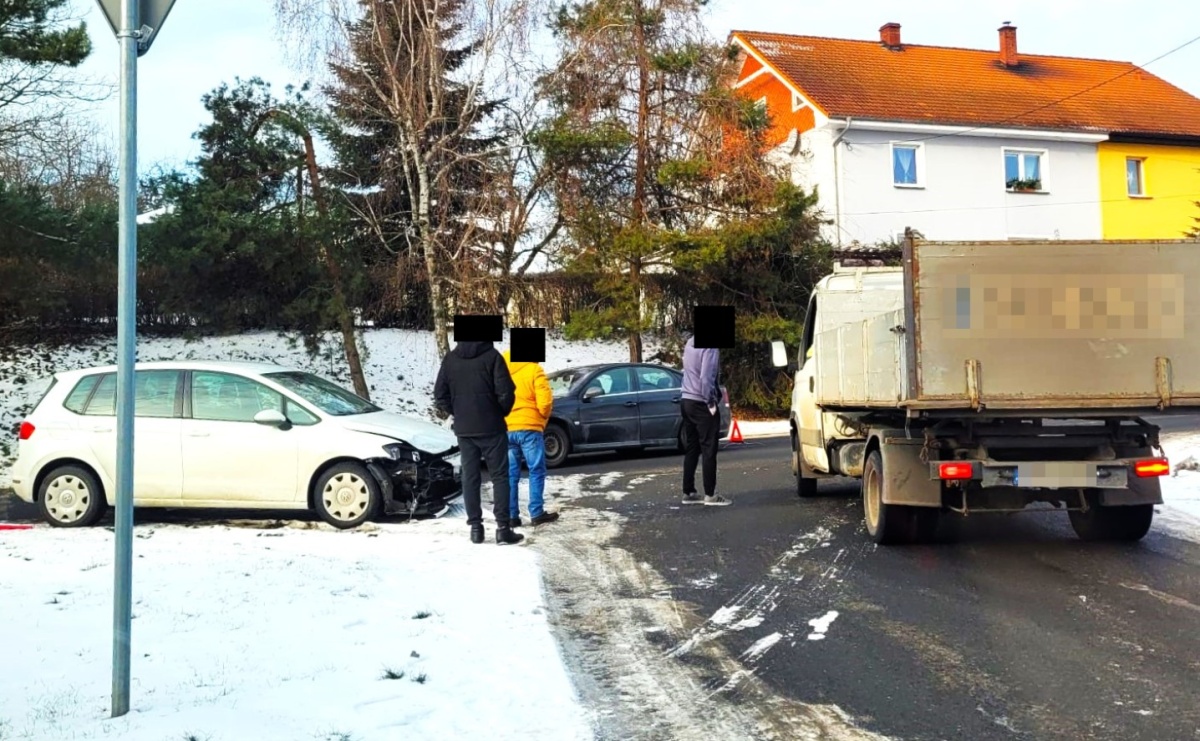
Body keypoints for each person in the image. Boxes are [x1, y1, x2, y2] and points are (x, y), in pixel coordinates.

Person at [433, 339, 523, 545]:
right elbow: (506, 392)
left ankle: (475, 528)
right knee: (500, 476)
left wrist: (459, 413)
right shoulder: (493, 357)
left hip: (465, 430)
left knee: (470, 477)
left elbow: (440, 395)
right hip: (492, 427)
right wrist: (498, 412)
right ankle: (503, 529)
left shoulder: (450, 360)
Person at [501, 350, 559, 527]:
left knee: (511, 475)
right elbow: (545, 402)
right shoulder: (534, 370)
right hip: (530, 429)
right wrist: (542, 418)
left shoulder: (502, 371)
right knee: (536, 470)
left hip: (507, 428)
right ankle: (536, 512)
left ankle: (512, 516)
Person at [679, 333, 730, 506]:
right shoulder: (710, 347)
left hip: (686, 400)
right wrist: (710, 402)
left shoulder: (690, 343)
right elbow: (706, 377)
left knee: (692, 447)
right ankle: (710, 495)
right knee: (709, 448)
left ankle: (689, 491)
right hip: (701, 402)